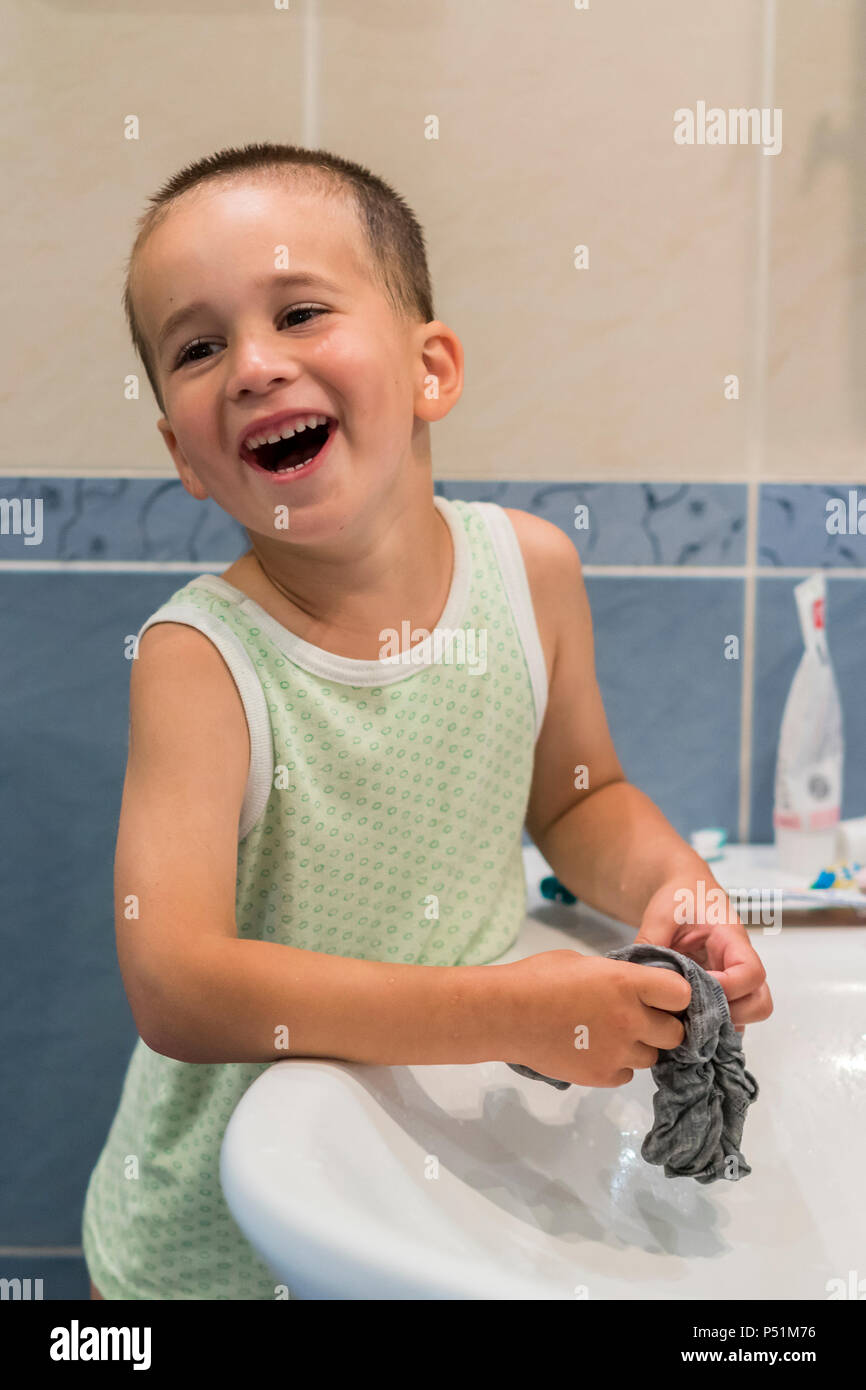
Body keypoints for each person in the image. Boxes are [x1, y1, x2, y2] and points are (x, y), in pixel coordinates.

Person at [82, 141, 772, 1300]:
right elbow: (177, 985)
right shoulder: (200, 660)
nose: (252, 365)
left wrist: (667, 886)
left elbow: (577, 798)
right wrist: (503, 1011)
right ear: (182, 455)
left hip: (438, 1160)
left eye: (299, 311)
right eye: (197, 347)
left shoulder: (529, 574)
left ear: (431, 369)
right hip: (214, 1235)